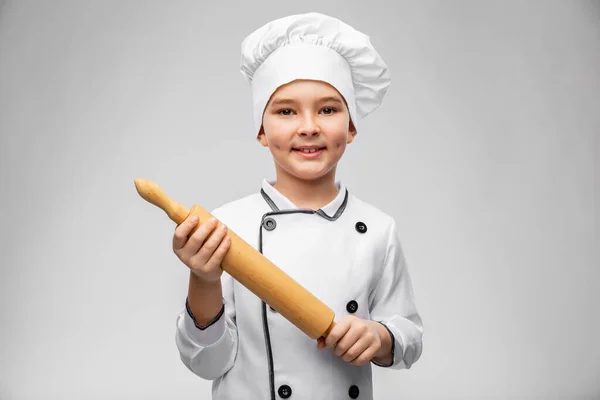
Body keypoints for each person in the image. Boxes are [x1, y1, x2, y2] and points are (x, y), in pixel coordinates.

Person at [172, 12, 423, 400]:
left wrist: (380, 336)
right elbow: (207, 363)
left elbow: (408, 336)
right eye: (286, 111)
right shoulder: (224, 227)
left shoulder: (376, 228)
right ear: (261, 129)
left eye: (328, 109)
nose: (309, 126)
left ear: (351, 126)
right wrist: (202, 279)